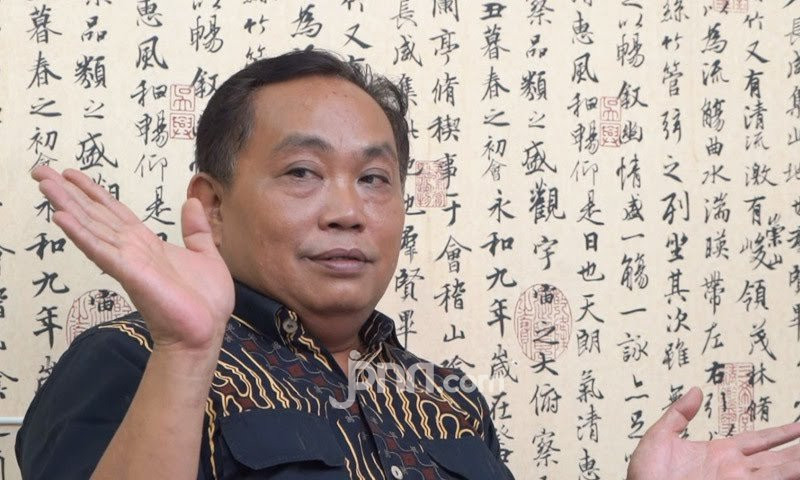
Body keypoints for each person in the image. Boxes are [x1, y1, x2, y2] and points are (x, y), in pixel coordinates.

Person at [14, 49, 800, 480]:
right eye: (302, 172)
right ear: (212, 206)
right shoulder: (130, 360)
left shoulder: (445, 397)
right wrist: (188, 351)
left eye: (375, 178)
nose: (349, 210)